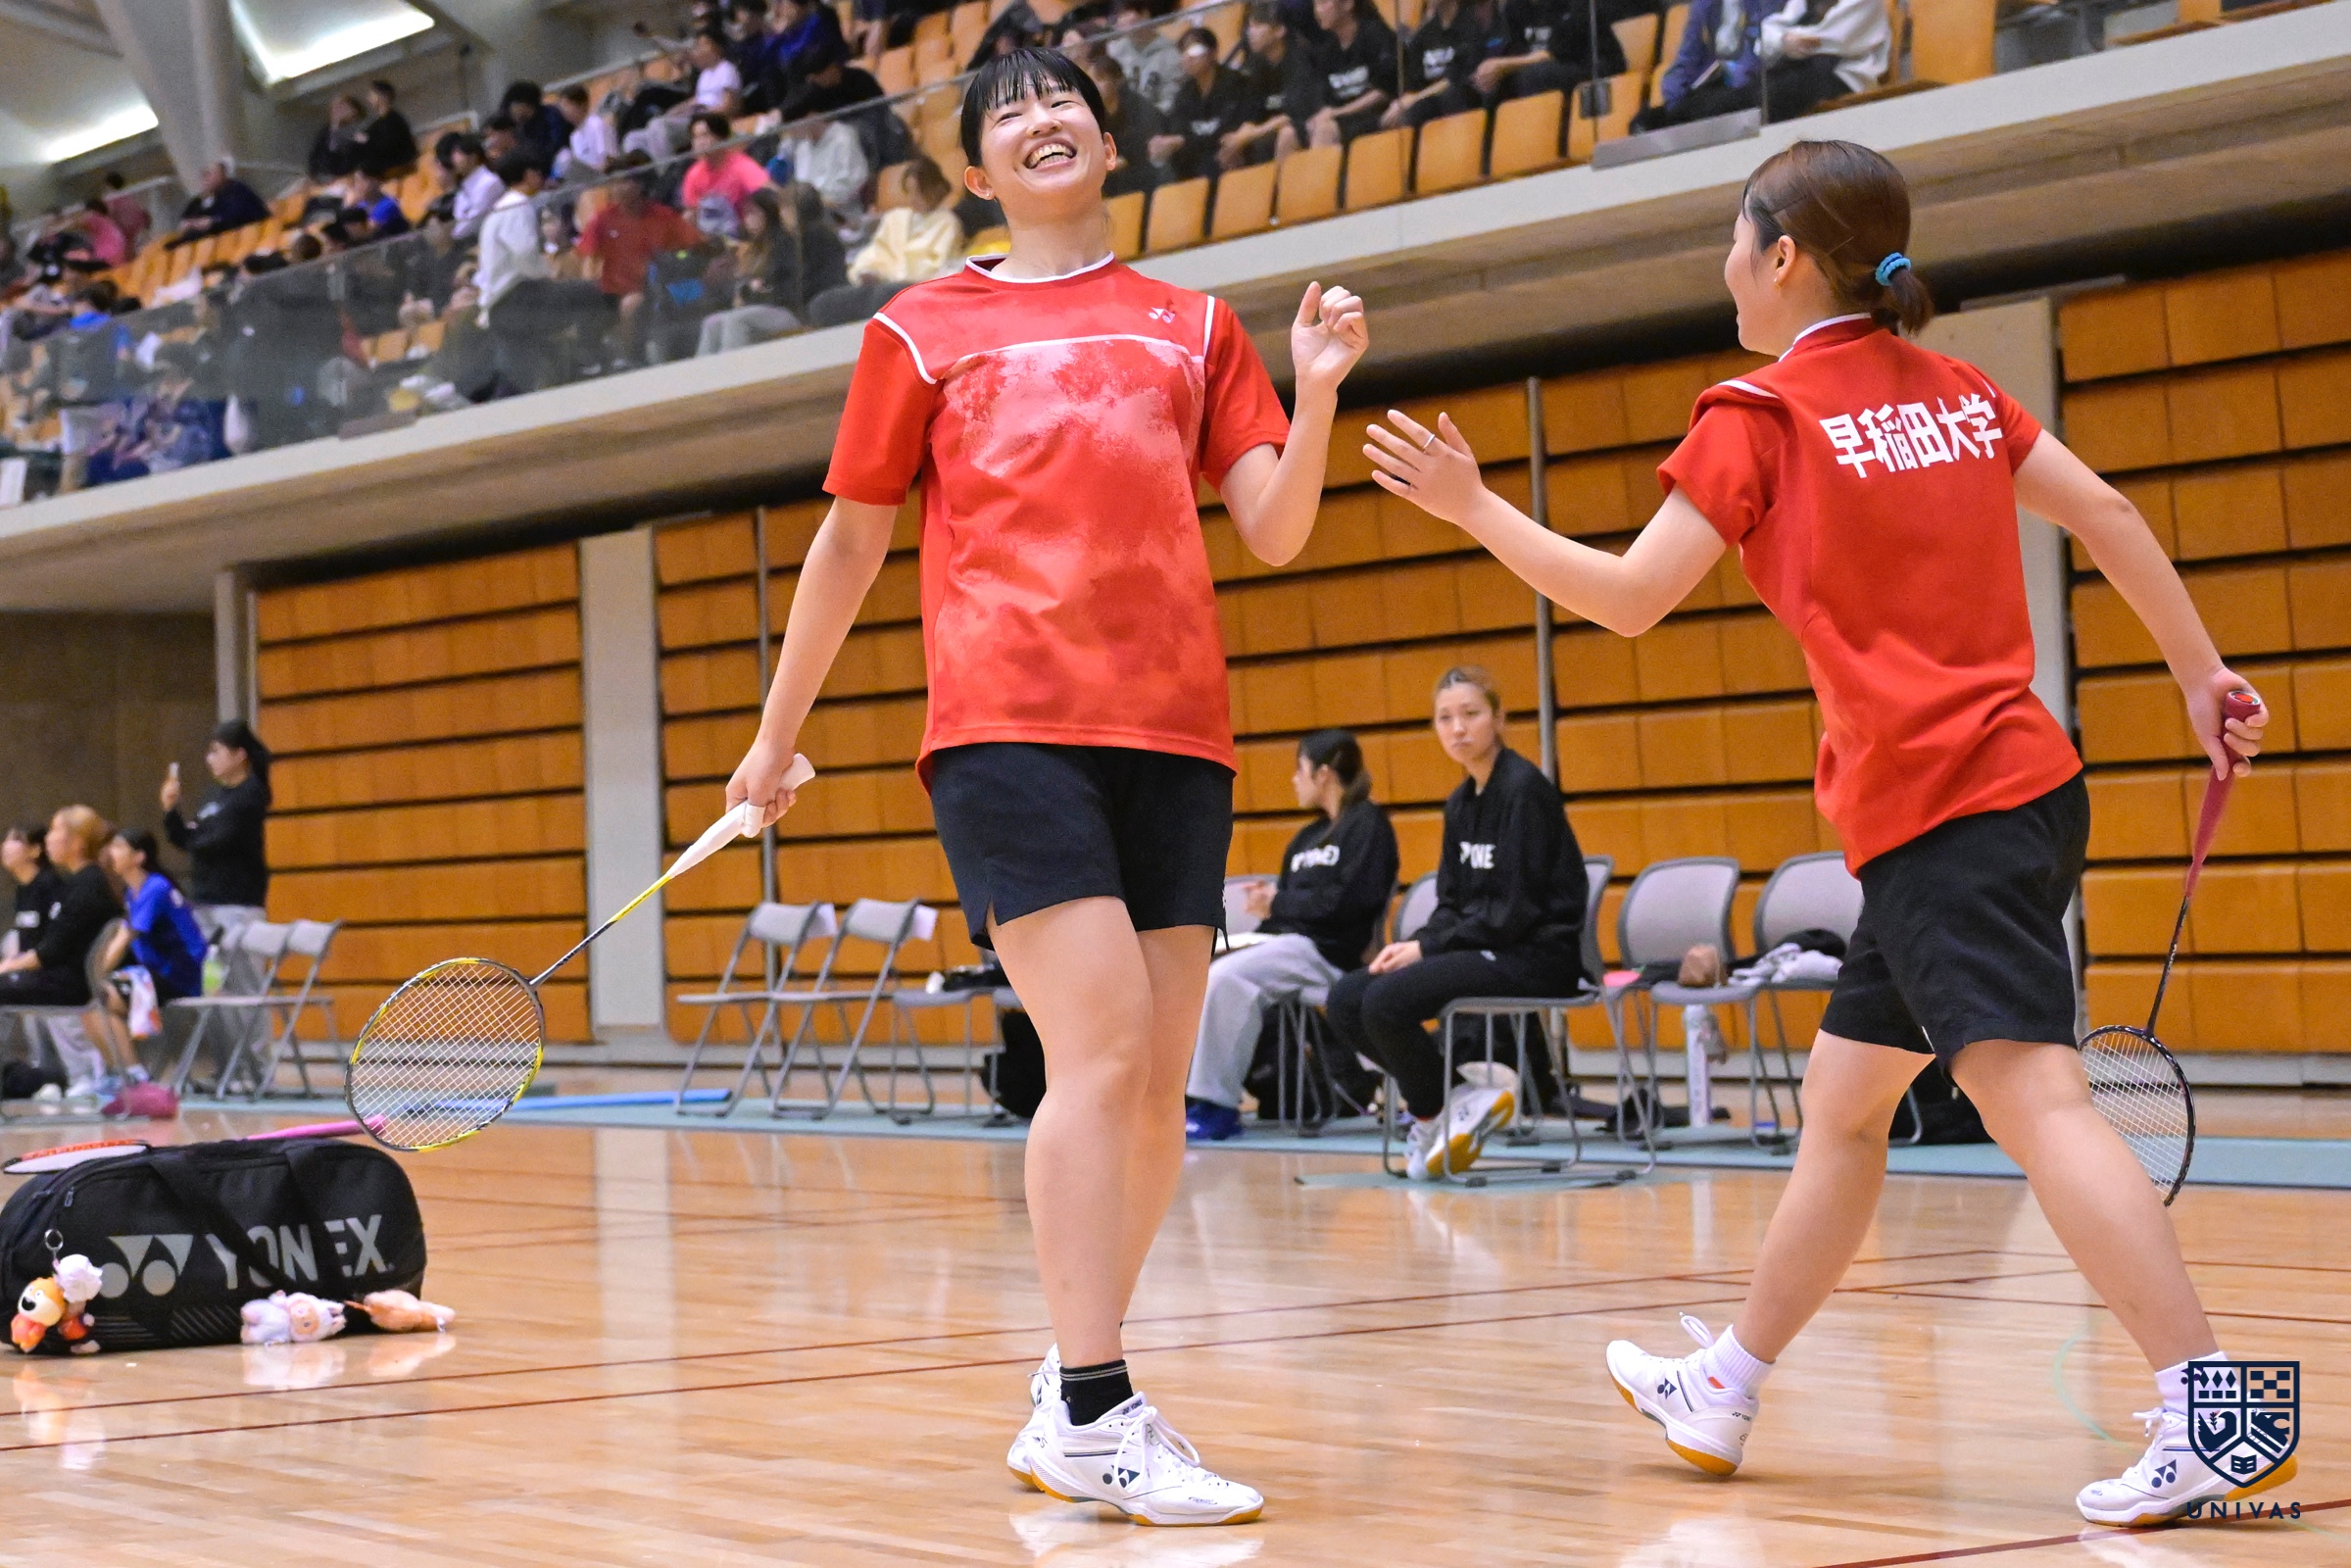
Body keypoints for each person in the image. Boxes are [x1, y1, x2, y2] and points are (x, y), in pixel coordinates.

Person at [1360, 138, 2280, 1530]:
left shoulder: (1760, 415)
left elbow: (1626, 599)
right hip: (2019, 792)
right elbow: (2102, 511)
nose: (1725, 268)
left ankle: (2209, 1412)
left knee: (2037, 1103)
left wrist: (1472, 506)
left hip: (1942, 812)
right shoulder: (1956, 390)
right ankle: (1722, 1386)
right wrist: (2199, 674)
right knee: (1844, 1113)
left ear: (1780, 255)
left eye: (1734, 242)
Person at [723, 44, 1365, 1527]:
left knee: (1152, 1091)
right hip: (1007, 726)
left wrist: (1319, 389)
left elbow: (1272, 526)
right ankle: (1091, 1402)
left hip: (1175, 735)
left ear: (1107, 138)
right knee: (1098, 1051)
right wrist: (773, 733)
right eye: (1006, 110)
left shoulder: (1194, 326)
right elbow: (849, 543)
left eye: (1061, 97)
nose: (1039, 118)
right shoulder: (919, 331)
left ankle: (1072, 1386)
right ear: (975, 172)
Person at [1321, 666, 1587, 1178]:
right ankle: (1454, 1100)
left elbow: (1514, 911)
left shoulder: (1524, 790)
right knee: (1347, 999)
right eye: (1445, 718)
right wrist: (1419, 942)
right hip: (1486, 947)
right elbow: (1451, 902)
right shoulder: (1460, 803)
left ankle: (1439, 1108)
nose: (1458, 728)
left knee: (1386, 1002)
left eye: (1471, 714)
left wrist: (1431, 950)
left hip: (1536, 955)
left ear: (1499, 718)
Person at [1183, 729, 1397, 1142]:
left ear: (1323, 774)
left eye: (1299, 769)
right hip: (1287, 944)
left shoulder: (1367, 824)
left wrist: (1277, 902)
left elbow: (1347, 903)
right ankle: (1178, 1097)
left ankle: (1215, 1107)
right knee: (1196, 969)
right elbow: (1288, 910)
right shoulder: (1306, 837)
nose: (1294, 780)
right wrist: (1265, 919)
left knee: (1228, 979)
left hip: (1330, 951)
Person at [0, 808, 126, 1089]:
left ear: (77, 843)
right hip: (63, 979)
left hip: (70, 985)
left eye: (56, 830)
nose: (48, 838)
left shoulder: (87, 885)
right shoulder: (80, 882)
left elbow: (50, 951)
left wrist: (9, 966)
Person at [93, 828, 206, 1093]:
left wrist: (95, 975)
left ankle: (135, 1076)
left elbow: (125, 938)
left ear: (139, 857)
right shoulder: (132, 892)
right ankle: (124, 1073)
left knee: (101, 997)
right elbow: (120, 936)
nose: (111, 852)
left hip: (180, 975)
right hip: (155, 973)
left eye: (118, 847)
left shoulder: (155, 888)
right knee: (92, 1002)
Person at [806, 156, 964, 326]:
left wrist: (889, 277)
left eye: (918, 192)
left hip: (912, 288)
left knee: (885, 296)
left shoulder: (947, 222)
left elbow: (936, 268)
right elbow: (876, 251)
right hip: (878, 286)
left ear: (934, 189)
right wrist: (868, 271)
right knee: (823, 303)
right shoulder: (895, 218)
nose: (913, 199)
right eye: (909, 192)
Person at [696, 184, 847, 353]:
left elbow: (795, 288)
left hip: (798, 311)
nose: (781, 215)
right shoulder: (789, 243)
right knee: (712, 323)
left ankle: (734, 369)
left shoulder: (815, 241)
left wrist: (760, 292)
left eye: (784, 209)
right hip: (778, 305)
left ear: (794, 210)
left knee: (736, 321)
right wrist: (758, 290)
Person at [161, 719, 272, 941]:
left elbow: (217, 841)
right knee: (209, 965)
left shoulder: (249, 795)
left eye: (216, 751)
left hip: (237, 904)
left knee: (237, 965)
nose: (209, 759)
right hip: (205, 902)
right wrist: (171, 810)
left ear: (239, 755)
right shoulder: (213, 795)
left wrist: (195, 837)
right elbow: (186, 838)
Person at [1383, 0, 1512, 130]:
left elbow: (1456, 78)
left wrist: (1416, 98)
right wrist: (1403, 103)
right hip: (1429, 106)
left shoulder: (1471, 25)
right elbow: (1412, 85)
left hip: (1466, 100)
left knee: (1445, 99)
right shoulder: (1423, 36)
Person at [1757, 0, 1889, 119]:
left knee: (1774, 95)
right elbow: (1765, 36)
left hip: (1843, 75)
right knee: (1751, 94)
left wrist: (1783, 41)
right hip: (1801, 68)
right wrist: (1782, 40)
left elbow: (1824, 40)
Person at [1474, 0, 1627, 102]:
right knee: (1489, 87)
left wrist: (1503, 65)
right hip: (1544, 69)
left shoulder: (1572, 3)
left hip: (1592, 66)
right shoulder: (1515, 7)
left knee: (1536, 75)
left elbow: (1557, 52)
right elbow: (1515, 51)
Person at [1222, 2, 1316, 168]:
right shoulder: (1255, 65)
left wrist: (1250, 135)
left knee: (1286, 134)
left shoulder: (1299, 59)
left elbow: (1293, 114)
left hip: (1303, 127)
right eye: (1249, 26)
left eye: (1258, 26)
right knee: (1231, 150)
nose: (1250, 32)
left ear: (1279, 30)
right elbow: (1251, 113)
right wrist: (1238, 137)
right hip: (1268, 131)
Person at [1151, 28, 1250, 180]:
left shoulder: (1235, 83)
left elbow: (1231, 128)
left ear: (1213, 53)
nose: (1188, 57)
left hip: (1229, 155)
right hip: (1197, 160)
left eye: (1195, 50)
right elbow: (1178, 129)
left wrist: (1184, 141)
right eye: (1184, 52)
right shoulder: (1185, 93)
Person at [1303, 0, 1398, 148]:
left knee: (1325, 131)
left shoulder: (1375, 35)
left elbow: (1384, 91)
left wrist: (1339, 112)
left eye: (1323, 3)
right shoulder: (1327, 52)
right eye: (1315, 5)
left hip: (1380, 115)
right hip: (1346, 120)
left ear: (1348, 4)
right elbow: (1327, 101)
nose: (1317, 11)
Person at [1081, 52, 1164, 199]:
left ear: (1117, 80)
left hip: (1141, 177)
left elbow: (1138, 152)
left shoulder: (1138, 107)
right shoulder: (1090, 115)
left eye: (1100, 79)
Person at [681, 112, 774, 219]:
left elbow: (768, 190)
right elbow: (690, 210)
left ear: (721, 138)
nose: (700, 143)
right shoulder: (694, 174)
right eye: (695, 137)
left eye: (705, 135)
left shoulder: (740, 164)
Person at [1105, 0, 1185, 111]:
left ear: (1144, 14)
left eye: (1126, 13)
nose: (1121, 20)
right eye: (1118, 16)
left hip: (1157, 116)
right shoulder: (1114, 52)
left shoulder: (1170, 54)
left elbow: (1171, 100)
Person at [168, 165, 269, 248]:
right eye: (204, 177)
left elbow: (236, 215)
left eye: (210, 175)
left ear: (222, 174)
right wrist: (195, 223)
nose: (206, 180)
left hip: (254, 230)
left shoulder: (236, 190)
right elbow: (197, 216)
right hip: (233, 235)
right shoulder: (209, 198)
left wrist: (212, 221)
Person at [3, 823, 63, 963]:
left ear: (35, 850)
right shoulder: (22, 889)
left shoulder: (50, 885)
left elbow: (56, 939)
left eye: (16, 839)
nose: (6, 846)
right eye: (5, 840)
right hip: (25, 966)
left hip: (48, 967)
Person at [443, 134, 506, 240]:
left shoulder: (489, 182)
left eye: (458, 153)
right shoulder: (464, 187)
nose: (453, 160)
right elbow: (459, 217)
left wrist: (451, 236)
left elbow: (474, 220)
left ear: (473, 157)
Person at [354, 79, 419, 177]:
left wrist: (367, 140)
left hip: (399, 162)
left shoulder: (394, 120)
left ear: (383, 96)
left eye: (372, 95)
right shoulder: (378, 122)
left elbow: (390, 144)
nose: (369, 98)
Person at [555, 84, 619, 180]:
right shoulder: (574, 136)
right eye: (562, 107)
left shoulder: (597, 125)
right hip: (586, 180)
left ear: (582, 105)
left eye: (567, 105)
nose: (565, 111)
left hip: (606, 177)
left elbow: (609, 159)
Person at [309, 94, 367, 184]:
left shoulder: (360, 128)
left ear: (354, 110)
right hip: (326, 178)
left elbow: (353, 155)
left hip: (351, 176)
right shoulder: (326, 132)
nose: (337, 111)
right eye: (334, 108)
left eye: (341, 107)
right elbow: (315, 157)